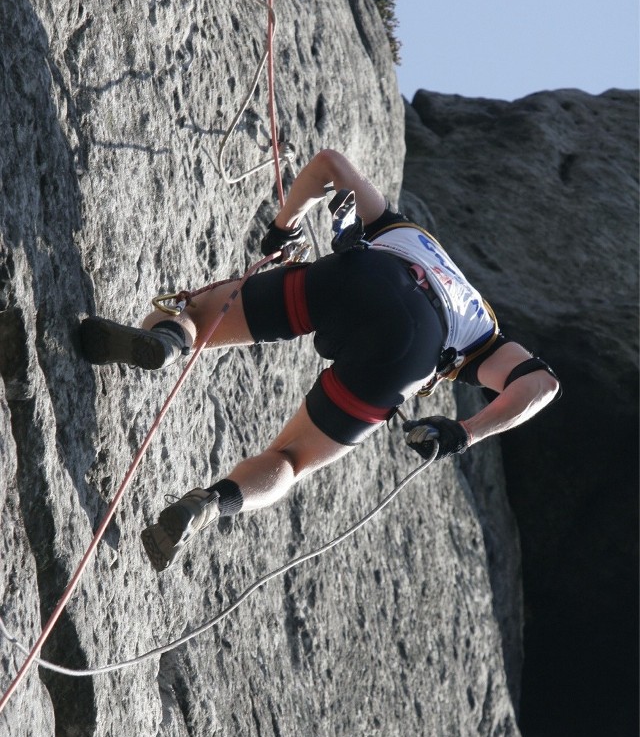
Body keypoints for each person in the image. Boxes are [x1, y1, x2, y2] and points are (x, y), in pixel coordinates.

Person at [80, 149, 560, 572]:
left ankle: (165, 342)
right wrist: (463, 433)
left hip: (364, 272)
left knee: (199, 312)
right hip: (407, 355)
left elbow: (327, 164)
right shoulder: (487, 335)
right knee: (291, 458)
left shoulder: (406, 229)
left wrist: (281, 227)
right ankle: (210, 503)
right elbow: (541, 386)